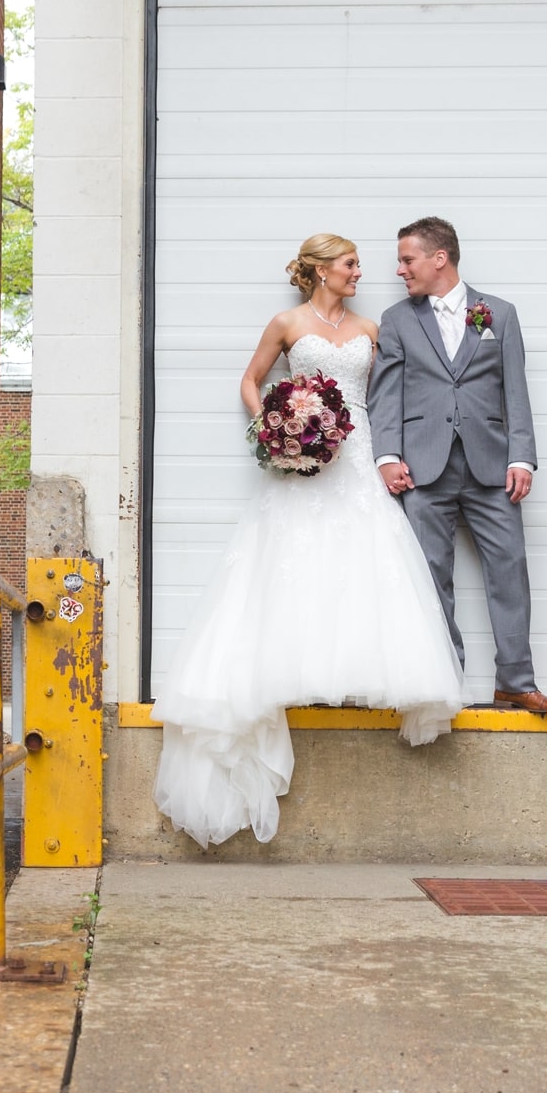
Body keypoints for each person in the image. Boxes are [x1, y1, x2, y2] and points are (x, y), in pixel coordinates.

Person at [153, 235, 464, 851]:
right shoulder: (287, 323)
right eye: (350, 264)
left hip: (357, 459)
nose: (359, 273)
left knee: (363, 563)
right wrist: (276, 428)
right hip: (301, 463)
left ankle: (347, 668)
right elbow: (250, 380)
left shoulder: (375, 329)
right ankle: (288, 669)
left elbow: (392, 395)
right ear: (322, 269)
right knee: (291, 563)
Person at [369, 217, 547, 717]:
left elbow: (515, 391)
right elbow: (385, 395)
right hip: (422, 469)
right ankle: (445, 684)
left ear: (440, 258)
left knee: (510, 570)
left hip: (492, 467)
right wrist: (387, 457)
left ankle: (517, 682)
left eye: (407, 259)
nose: (399, 270)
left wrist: (522, 456)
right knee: (430, 578)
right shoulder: (396, 320)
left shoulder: (498, 314)